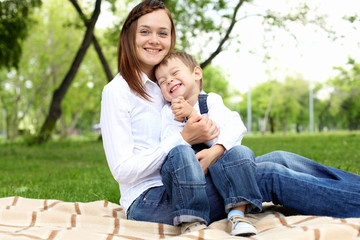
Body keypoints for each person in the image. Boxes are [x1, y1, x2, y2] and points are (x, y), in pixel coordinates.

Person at [100, 0, 360, 237]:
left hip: (194, 178)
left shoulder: (165, 86)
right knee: (266, 175)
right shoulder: (118, 91)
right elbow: (123, 170)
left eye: (163, 33)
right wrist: (183, 138)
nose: (154, 39)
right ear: (129, 36)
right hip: (152, 200)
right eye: (145, 31)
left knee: (279, 157)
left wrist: (216, 149)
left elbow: (221, 120)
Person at [155, 51, 262, 236]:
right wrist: (184, 123)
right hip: (186, 175)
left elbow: (225, 131)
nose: (169, 81)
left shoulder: (211, 101)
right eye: (162, 82)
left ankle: (237, 215)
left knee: (240, 152)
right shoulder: (166, 112)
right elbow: (171, 148)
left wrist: (192, 115)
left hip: (217, 168)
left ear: (196, 73)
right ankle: (191, 221)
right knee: (181, 153)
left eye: (175, 73)